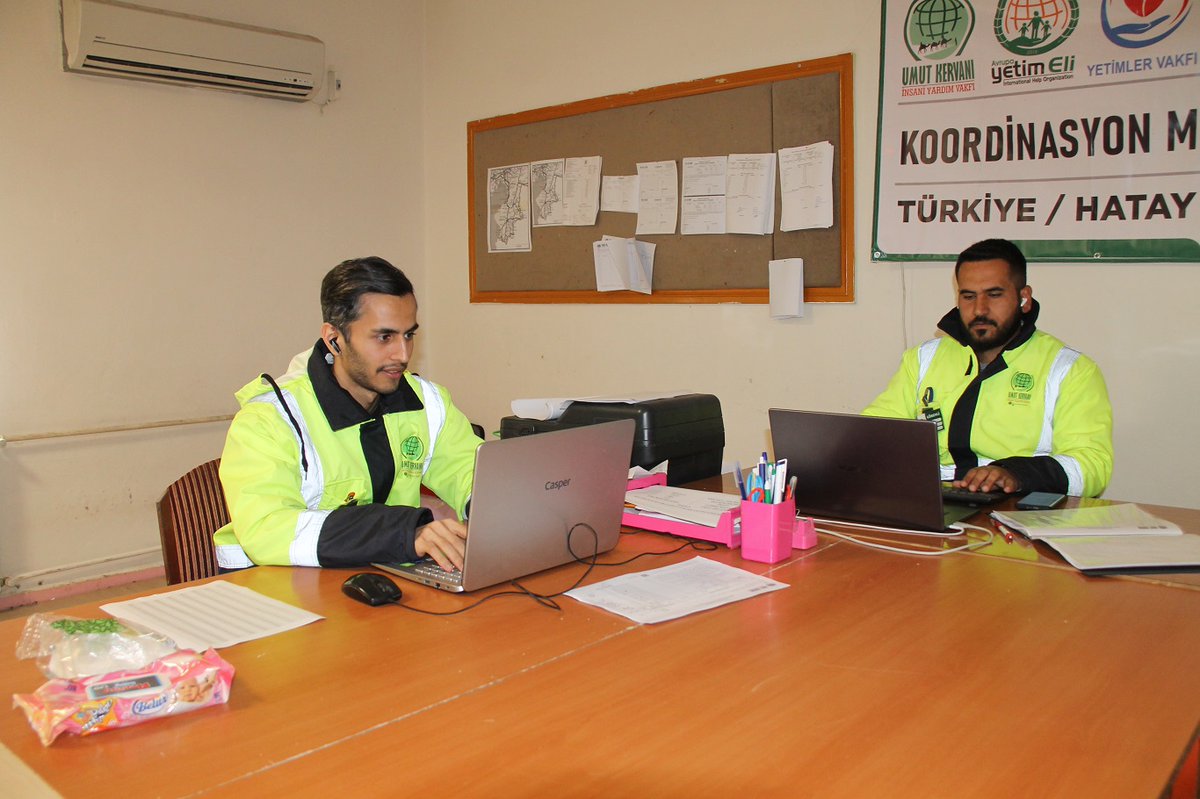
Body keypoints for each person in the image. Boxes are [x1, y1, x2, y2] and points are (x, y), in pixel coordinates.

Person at [213, 256, 482, 572]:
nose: (402, 354)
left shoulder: (427, 401)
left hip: (377, 571)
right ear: (334, 339)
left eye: (409, 335)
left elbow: (471, 473)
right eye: (384, 337)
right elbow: (268, 528)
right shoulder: (269, 419)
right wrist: (404, 533)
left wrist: (492, 512)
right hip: (273, 583)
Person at [863, 238, 1112, 497]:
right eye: (968, 296)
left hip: (1020, 505)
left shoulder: (1070, 369)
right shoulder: (923, 358)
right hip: (933, 501)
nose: (979, 309)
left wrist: (1016, 474)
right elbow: (874, 434)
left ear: (1024, 298)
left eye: (994, 295)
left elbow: (1092, 466)